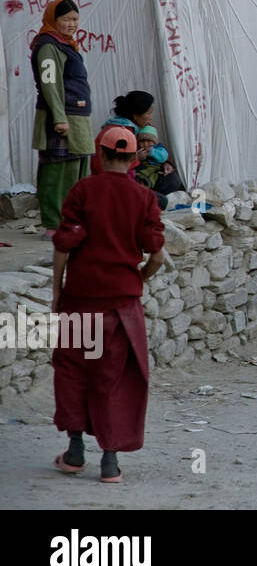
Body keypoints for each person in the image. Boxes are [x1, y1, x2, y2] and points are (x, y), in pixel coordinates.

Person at [50, 126, 164, 483]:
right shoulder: (144, 197)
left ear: (99, 154)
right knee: (114, 379)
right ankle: (110, 462)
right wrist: (138, 280)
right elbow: (157, 256)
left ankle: (74, 451)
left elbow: (63, 246)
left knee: (72, 372)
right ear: (133, 159)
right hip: (121, 307)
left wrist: (57, 293)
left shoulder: (82, 191)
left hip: (80, 300)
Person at [30, 0, 94, 238]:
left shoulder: (66, 45)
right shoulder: (48, 46)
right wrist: (59, 118)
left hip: (76, 117)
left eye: (74, 19)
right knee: (57, 172)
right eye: (65, 20)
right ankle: (54, 224)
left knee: (76, 171)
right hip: (62, 118)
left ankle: (72, 221)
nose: (71, 24)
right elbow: (49, 85)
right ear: (53, 20)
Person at [90, 91, 155, 175]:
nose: (151, 118)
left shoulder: (136, 128)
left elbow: (155, 147)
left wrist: (166, 163)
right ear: (135, 115)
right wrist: (136, 159)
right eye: (149, 114)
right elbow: (109, 167)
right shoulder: (118, 133)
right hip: (109, 179)